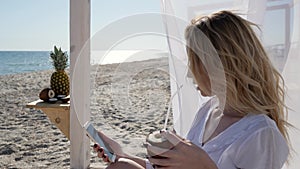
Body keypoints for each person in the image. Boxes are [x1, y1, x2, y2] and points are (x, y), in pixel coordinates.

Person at [93, 10, 290, 169]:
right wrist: (121, 154)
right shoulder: (208, 112)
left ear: (218, 65)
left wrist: (204, 166)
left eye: (194, 63)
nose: (189, 74)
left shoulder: (262, 135)